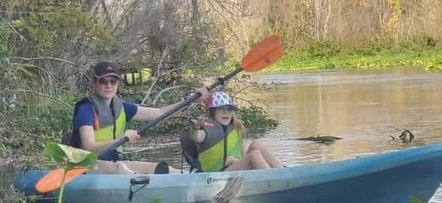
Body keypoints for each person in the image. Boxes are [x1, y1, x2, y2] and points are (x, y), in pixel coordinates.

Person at [70, 61, 208, 174]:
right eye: (103, 81)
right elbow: (89, 147)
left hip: (113, 162)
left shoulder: (121, 107)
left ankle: (192, 179)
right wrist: (121, 138)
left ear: (118, 83)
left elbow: (160, 112)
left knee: (159, 168)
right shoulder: (85, 109)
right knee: (121, 169)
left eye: (113, 81)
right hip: (87, 165)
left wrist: (191, 99)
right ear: (95, 83)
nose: (108, 85)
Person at [181, 90, 283, 172]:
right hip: (216, 175)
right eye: (221, 109)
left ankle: (282, 172)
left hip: (233, 169)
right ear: (213, 112)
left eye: (229, 109)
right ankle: (275, 179)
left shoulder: (236, 128)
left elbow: (242, 154)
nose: (226, 113)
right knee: (254, 155)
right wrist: (196, 127)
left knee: (257, 144)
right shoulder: (207, 128)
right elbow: (196, 137)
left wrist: (237, 161)